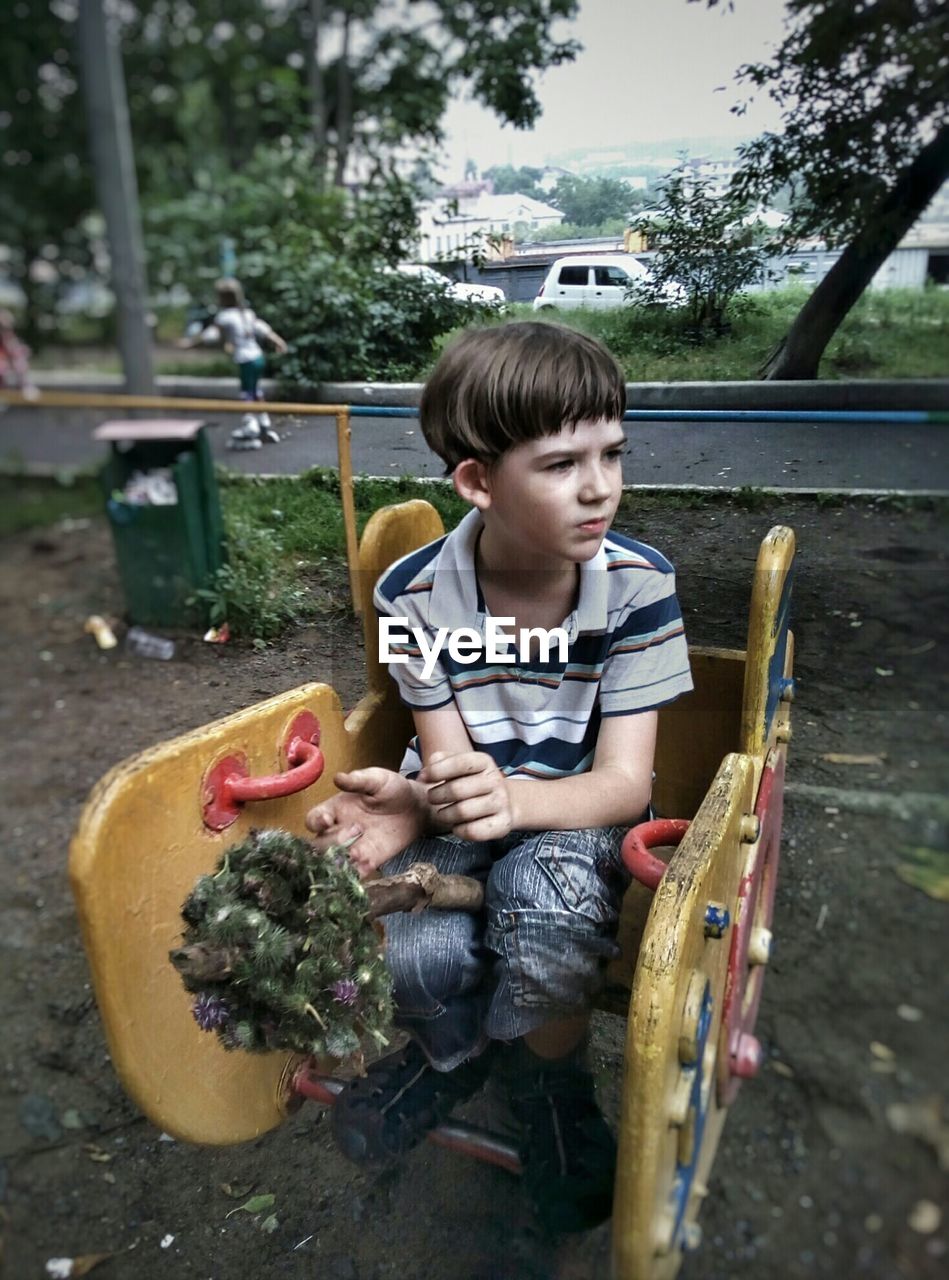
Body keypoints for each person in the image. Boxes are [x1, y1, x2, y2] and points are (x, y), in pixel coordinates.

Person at [305, 321, 693, 1233]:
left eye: (611, 453)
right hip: (470, 817)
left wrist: (510, 802)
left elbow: (624, 785)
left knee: (545, 904)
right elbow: (444, 761)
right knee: (412, 952)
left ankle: (552, 1085)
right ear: (477, 481)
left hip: (577, 814)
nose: (600, 487)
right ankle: (466, 1051)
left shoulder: (639, 587)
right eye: (560, 464)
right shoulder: (409, 594)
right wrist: (411, 803)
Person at [178, 278, 287, 450]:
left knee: (246, 393)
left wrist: (190, 344)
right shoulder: (247, 313)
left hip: (245, 360)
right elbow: (262, 329)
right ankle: (263, 422)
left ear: (221, 298)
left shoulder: (224, 317)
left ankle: (250, 426)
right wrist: (278, 341)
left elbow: (211, 335)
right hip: (258, 357)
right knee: (256, 391)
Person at [0, 309, 37, 398]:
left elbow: (14, 350)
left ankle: (25, 386)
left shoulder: (9, 336)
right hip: (3, 363)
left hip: (8, 363)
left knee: (20, 364)